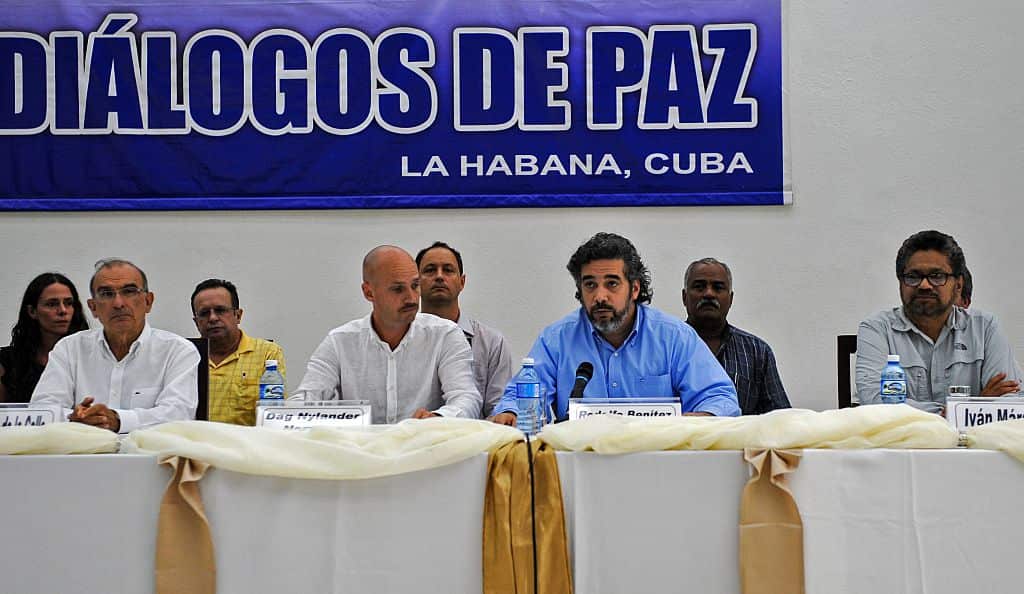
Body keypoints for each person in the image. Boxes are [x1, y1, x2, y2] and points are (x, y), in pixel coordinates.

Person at [491, 233, 740, 425]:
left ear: (634, 289)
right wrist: (510, 412)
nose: (600, 296)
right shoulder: (557, 340)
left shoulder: (674, 337)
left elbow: (720, 398)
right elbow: (521, 397)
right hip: (579, 469)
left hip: (659, 467)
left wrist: (698, 419)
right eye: (590, 284)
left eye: (612, 283)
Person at [294, 245, 482, 423]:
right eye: (398, 289)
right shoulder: (340, 342)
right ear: (369, 292)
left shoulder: (445, 335)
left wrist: (440, 419)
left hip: (425, 450)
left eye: (415, 285)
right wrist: (282, 415)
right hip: (358, 451)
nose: (411, 298)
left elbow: (467, 398)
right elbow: (306, 397)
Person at [856, 230, 1020, 413]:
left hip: (974, 441)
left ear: (958, 285)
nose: (924, 285)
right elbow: (873, 400)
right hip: (903, 441)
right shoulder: (877, 329)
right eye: (913, 276)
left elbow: (1010, 400)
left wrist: (958, 412)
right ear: (900, 282)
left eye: (937, 276)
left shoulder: (985, 327)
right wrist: (963, 410)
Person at [31, 259, 199, 432]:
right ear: (93, 307)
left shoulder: (177, 351)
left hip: (148, 456)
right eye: (106, 294)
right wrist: (75, 419)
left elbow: (179, 415)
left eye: (129, 291)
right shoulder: (69, 349)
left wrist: (119, 420)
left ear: (148, 301)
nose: (119, 303)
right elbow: (41, 411)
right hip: (81, 455)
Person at [416, 241, 513, 417]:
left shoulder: (491, 343)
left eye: (448, 270)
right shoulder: (403, 338)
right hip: (414, 437)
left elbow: (499, 410)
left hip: (474, 442)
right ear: (415, 283)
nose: (439, 276)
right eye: (430, 270)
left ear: (462, 282)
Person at [681, 258, 791, 414]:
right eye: (699, 287)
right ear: (684, 297)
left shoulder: (757, 351)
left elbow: (780, 419)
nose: (709, 293)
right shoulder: (668, 347)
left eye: (718, 288)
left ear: (731, 299)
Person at [191, 278, 285, 426]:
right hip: (197, 445)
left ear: (238, 315)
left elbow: (274, 415)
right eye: (204, 313)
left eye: (220, 310)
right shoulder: (185, 357)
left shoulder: (267, 354)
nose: (213, 318)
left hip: (247, 445)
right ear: (196, 322)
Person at [0, 273, 90, 403]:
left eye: (69, 303)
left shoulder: (90, 356)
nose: (63, 310)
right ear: (32, 311)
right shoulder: (8, 362)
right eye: (52, 304)